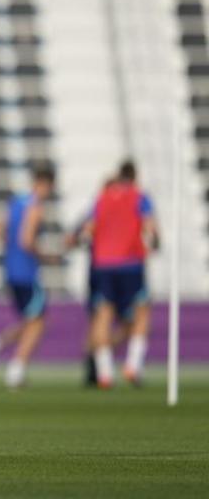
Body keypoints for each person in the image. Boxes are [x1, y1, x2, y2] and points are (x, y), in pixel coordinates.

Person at [0, 166, 56, 389]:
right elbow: (27, 240)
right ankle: (15, 372)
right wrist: (47, 257)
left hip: (11, 270)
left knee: (28, 322)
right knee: (38, 324)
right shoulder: (35, 207)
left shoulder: (15, 203)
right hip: (28, 272)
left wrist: (10, 251)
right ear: (45, 184)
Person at [84, 161, 159, 388]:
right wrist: (155, 243)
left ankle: (105, 372)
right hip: (131, 263)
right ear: (135, 177)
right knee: (142, 312)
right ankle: (133, 365)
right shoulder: (139, 197)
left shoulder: (102, 198)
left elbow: (88, 230)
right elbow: (150, 228)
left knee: (103, 315)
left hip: (103, 264)